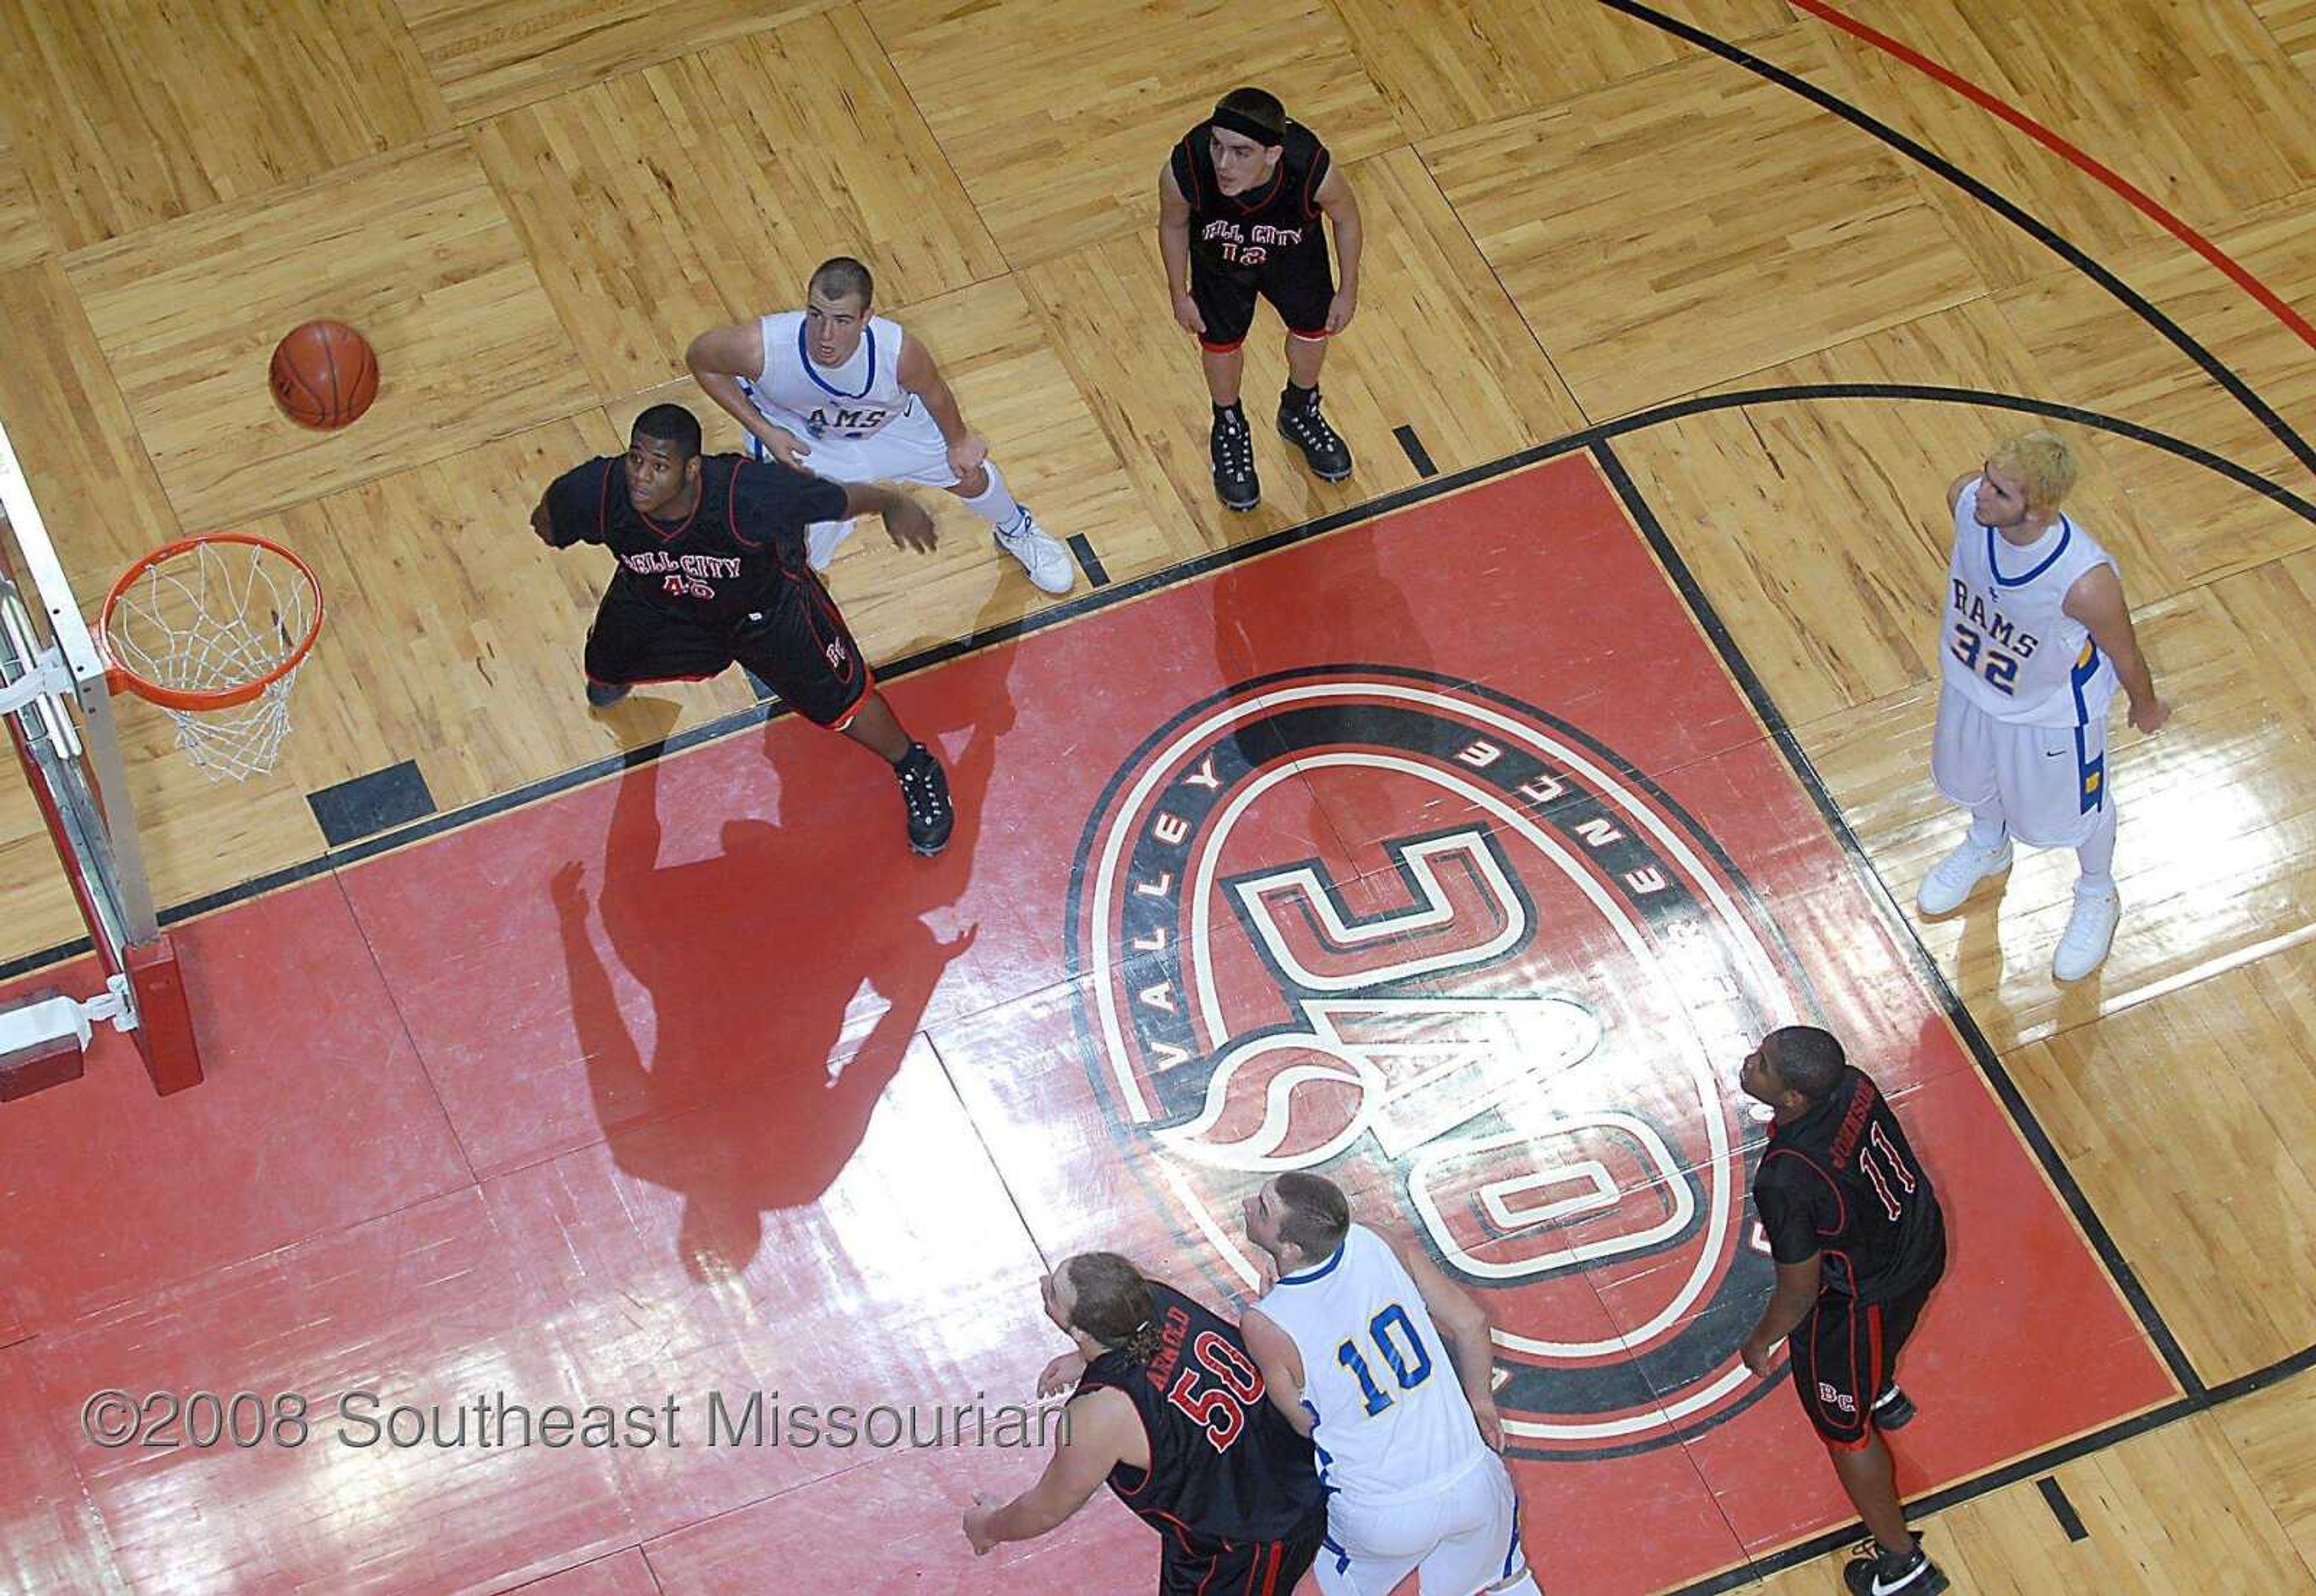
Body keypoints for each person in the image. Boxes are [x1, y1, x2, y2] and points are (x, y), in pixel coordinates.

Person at [530, 402, 955, 856]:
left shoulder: (749, 496)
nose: (641, 476)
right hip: (661, 597)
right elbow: (546, 521)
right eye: (636, 458)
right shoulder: (598, 491)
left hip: (766, 614)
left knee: (843, 704)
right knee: (604, 661)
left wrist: (891, 502)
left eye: (659, 465)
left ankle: (916, 766)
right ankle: (616, 671)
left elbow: (837, 499)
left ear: (692, 469)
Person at [1919, 430, 2169, 979]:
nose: (1982, 493)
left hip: (2049, 713)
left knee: (2079, 813)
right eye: (1987, 476)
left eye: (2001, 492)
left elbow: (2123, 648)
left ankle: (2099, 893)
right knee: (1972, 779)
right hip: (1972, 683)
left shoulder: (2085, 581)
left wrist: (2144, 704)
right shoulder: (1965, 501)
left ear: (2039, 508)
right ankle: (1988, 844)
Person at [685, 256, 1075, 594]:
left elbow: (934, 391)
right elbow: (702, 360)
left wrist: (958, 440)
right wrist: (764, 429)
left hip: (888, 427)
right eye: (816, 314)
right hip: (805, 441)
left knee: (971, 473)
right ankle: (799, 603)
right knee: (793, 544)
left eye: (841, 320)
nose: (825, 334)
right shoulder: (760, 346)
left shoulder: (899, 351)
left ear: (866, 318)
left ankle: (1015, 528)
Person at [1239, 1173, 1540, 1596]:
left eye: (1263, 1208)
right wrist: (1481, 1400)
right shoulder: (1376, 1239)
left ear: (1291, 1247)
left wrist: (1274, 1313)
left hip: (1381, 1511)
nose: (1248, 1205)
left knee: (1340, 1580)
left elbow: (1306, 1424)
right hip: (1471, 1477)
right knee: (1507, 1577)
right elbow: (1470, 1322)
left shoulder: (1265, 1324)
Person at [962, 1252, 1329, 1595]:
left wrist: (988, 1525)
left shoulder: (1101, 1414)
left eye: (1053, 1292)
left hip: (1252, 1537)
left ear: (1081, 1331)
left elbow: (1046, 1508)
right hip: (1294, 1469)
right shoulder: (1152, 1292)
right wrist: (1086, 1359)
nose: (1044, 1283)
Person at [1737, 1026, 1949, 1596]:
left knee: (1844, 1430)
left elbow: (1801, 1289)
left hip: (1865, 1297)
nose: (1749, 1062)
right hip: (1921, 1241)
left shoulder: (1785, 1176)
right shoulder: (1853, 1084)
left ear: (1791, 1099)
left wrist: (1762, 1339)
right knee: (1883, 1346)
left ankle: (1902, 1564)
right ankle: (1878, 1386)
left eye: (1762, 1064)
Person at [1158, 87, 1363, 511]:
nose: (1223, 163)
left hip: (1293, 256)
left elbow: (1347, 218)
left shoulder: (1310, 167)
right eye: (1217, 146)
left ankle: (1300, 410)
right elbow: (1174, 225)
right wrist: (1179, 293)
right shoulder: (1187, 165)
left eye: (1241, 152)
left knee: (1313, 330)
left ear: (1273, 153)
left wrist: (1348, 288)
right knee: (1219, 343)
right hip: (1221, 263)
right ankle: (1229, 426)